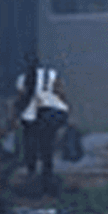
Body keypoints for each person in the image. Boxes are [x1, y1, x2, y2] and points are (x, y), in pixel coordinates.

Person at [12, 55, 71, 194]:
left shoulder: (23, 79)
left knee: (31, 143)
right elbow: (61, 92)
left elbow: (21, 99)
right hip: (55, 112)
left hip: (37, 114)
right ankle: (46, 175)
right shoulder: (51, 74)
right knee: (46, 145)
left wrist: (15, 117)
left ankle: (34, 174)